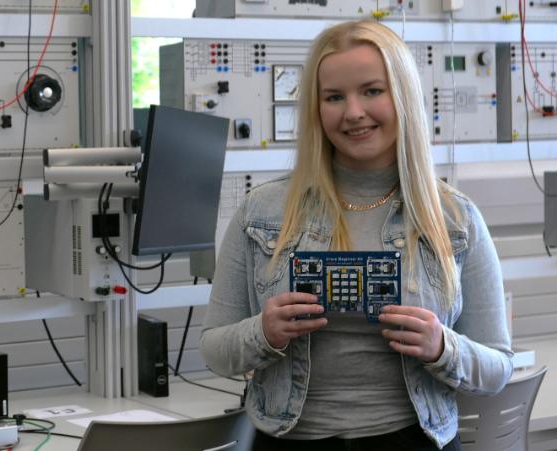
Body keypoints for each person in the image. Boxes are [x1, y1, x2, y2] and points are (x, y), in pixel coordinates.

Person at [199, 20, 513, 451]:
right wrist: (264, 333)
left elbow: (497, 368)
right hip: (289, 441)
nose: (353, 112)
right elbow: (215, 349)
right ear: (316, 108)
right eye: (333, 97)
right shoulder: (262, 211)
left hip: (413, 441)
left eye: (371, 90)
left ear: (401, 96)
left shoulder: (455, 219)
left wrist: (443, 346)